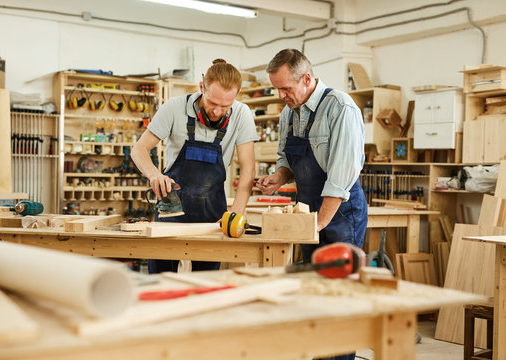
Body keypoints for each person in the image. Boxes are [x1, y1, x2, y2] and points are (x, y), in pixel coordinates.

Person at [257, 49, 367, 360]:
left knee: (339, 295)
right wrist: (278, 177)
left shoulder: (341, 108)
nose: (281, 96)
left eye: (286, 88)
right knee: (311, 291)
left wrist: (319, 224)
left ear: (307, 79)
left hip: (341, 212)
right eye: (276, 89)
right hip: (307, 210)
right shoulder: (288, 113)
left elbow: (340, 177)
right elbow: (286, 159)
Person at [131, 58, 258, 274]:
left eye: (225, 106)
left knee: (206, 282)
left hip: (212, 215)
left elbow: (248, 168)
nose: (218, 111)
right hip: (172, 210)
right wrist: (153, 174)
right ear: (201, 88)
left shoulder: (242, 114)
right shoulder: (174, 108)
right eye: (212, 103)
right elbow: (139, 150)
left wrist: (237, 210)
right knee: (162, 281)